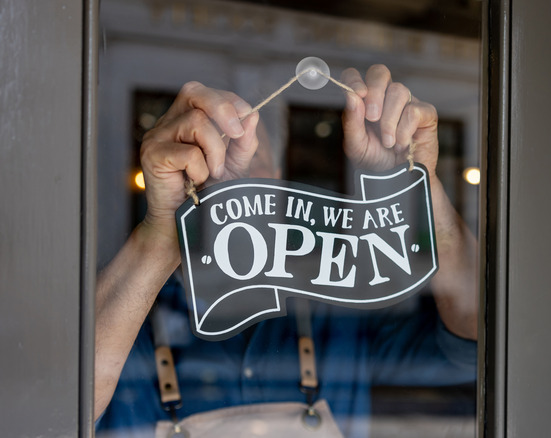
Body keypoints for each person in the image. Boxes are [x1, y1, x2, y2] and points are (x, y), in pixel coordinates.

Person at [94, 65, 478, 437]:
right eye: (212, 154)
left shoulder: (340, 302)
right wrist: (163, 234)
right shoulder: (129, 317)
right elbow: (55, 406)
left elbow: (477, 337)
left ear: (278, 178)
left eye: (250, 159)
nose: (231, 177)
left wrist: (415, 188)